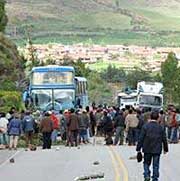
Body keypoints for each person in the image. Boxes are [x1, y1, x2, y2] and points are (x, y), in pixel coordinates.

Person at [136, 111, 168, 181]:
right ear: (158, 118)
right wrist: (165, 149)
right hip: (157, 149)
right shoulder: (160, 127)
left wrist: (138, 148)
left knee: (146, 163)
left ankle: (147, 175)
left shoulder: (145, 126)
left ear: (150, 117)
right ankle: (155, 178)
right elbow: (164, 139)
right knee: (156, 165)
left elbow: (141, 138)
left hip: (147, 148)